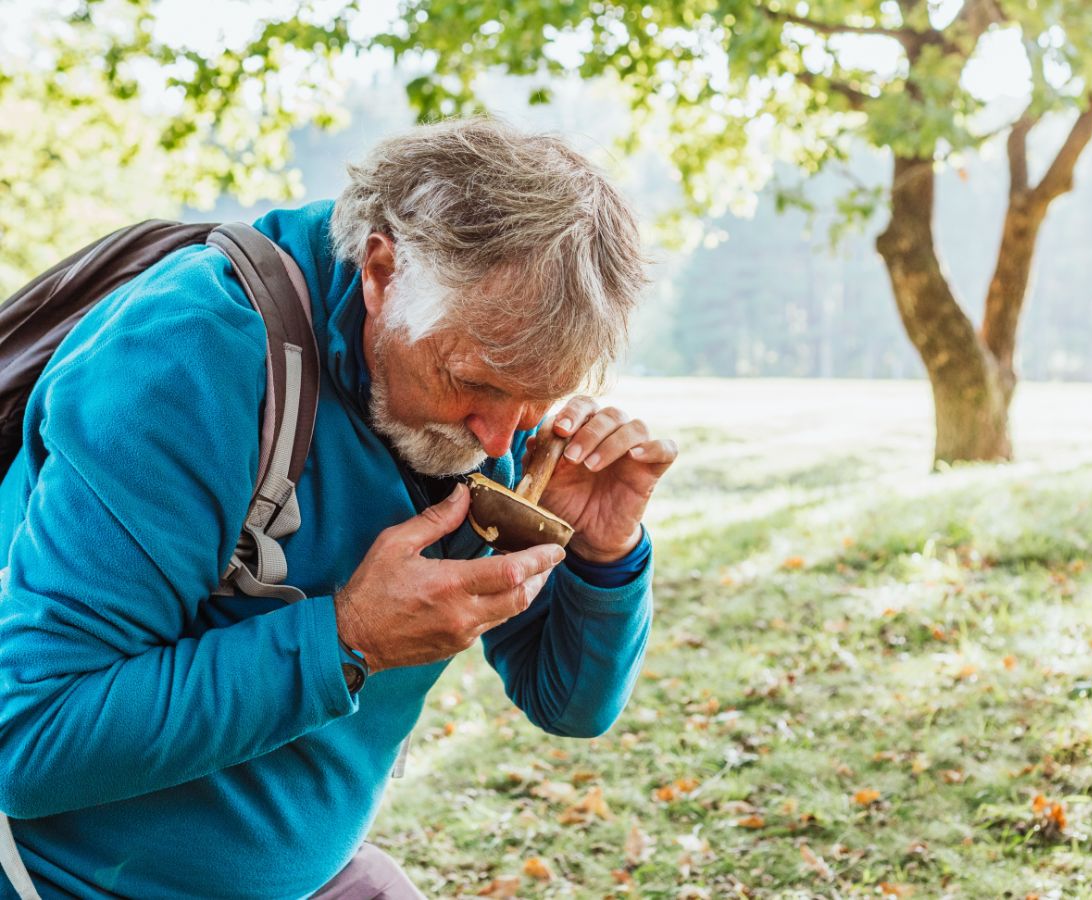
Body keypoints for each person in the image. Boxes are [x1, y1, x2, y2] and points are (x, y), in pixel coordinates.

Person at [0, 118, 675, 898]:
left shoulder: (485, 382)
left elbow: (566, 702)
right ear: (382, 271)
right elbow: (25, 739)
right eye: (476, 385)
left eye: (536, 400)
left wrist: (602, 557)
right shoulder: (183, 365)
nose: (497, 437)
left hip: (313, 877)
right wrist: (347, 638)